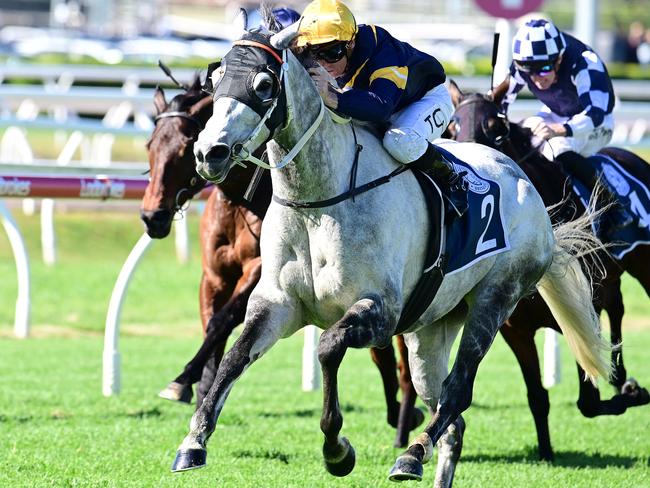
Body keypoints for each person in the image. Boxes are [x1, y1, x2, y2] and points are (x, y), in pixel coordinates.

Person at [294, 0, 467, 217]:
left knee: (399, 142)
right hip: (379, 102)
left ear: (351, 44)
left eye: (332, 52)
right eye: (314, 54)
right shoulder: (332, 53)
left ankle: (451, 178)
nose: (323, 63)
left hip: (425, 100)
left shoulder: (384, 53)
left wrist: (331, 96)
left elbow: (381, 107)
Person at [493, 18, 632, 233]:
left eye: (544, 69)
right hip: (556, 113)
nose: (537, 79)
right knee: (521, 135)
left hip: (594, 124)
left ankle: (612, 206)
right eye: (529, 71)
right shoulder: (526, 62)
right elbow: (499, 100)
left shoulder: (585, 63)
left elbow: (596, 114)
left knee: (558, 148)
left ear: (559, 59)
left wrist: (560, 130)